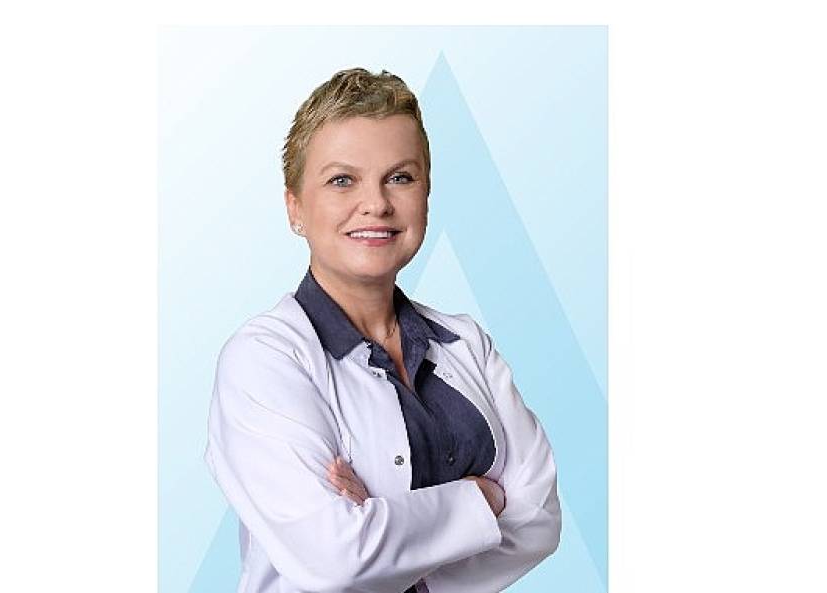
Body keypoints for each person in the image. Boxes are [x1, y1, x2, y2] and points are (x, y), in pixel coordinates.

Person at [205, 67, 561, 593]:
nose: (376, 203)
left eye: (400, 177)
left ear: (426, 193)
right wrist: (482, 497)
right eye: (342, 180)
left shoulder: (467, 344)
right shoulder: (263, 359)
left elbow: (539, 521)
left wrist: (382, 523)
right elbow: (335, 558)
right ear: (295, 208)